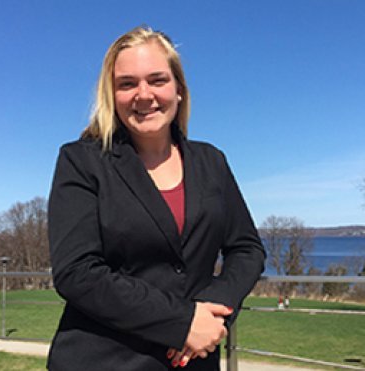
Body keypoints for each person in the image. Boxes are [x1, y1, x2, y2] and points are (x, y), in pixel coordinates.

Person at [47, 26, 265, 371]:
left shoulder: (211, 162)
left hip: (195, 362)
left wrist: (214, 306)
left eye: (157, 80)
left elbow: (247, 249)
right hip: (105, 361)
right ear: (111, 94)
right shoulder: (82, 161)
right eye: (127, 83)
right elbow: (77, 272)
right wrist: (181, 323)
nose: (143, 95)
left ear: (179, 89)